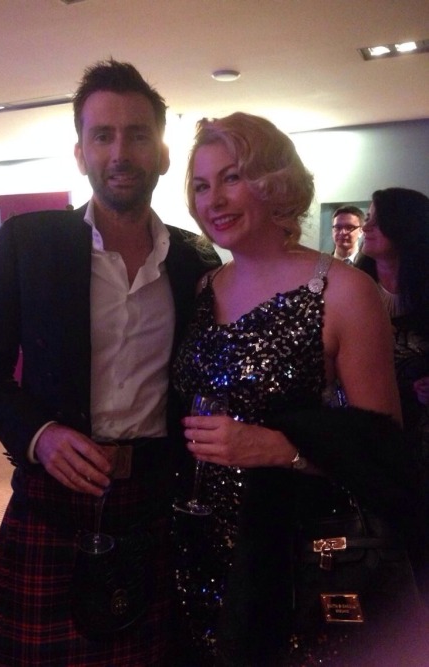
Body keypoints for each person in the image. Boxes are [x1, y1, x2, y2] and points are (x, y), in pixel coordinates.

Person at [0, 59, 219, 666]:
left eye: (137, 134)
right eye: (103, 135)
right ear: (80, 152)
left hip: (156, 503)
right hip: (52, 501)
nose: (120, 151)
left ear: (161, 152)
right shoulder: (29, 243)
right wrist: (39, 437)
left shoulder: (195, 260)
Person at [171, 113, 428, 665]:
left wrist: (278, 449)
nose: (213, 198)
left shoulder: (342, 290)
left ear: (273, 183)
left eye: (232, 177)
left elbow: (385, 452)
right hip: (192, 538)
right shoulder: (202, 284)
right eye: (200, 184)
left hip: (287, 549)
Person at [356, 187, 429, 514]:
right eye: (368, 218)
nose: (366, 227)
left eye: (377, 220)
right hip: (368, 436)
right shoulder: (350, 288)